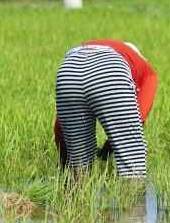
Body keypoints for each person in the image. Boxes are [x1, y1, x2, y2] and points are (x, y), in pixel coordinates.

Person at [55, 39, 157, 178]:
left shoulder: (97, 45)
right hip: (109, 69)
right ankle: (134, 199)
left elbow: (61, 125)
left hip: (69, 69)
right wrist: (107, 151)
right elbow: (138, 120)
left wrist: (63, 164)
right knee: (132, 158)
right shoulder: (147, 71)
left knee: (79, 160)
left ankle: (75, 196)